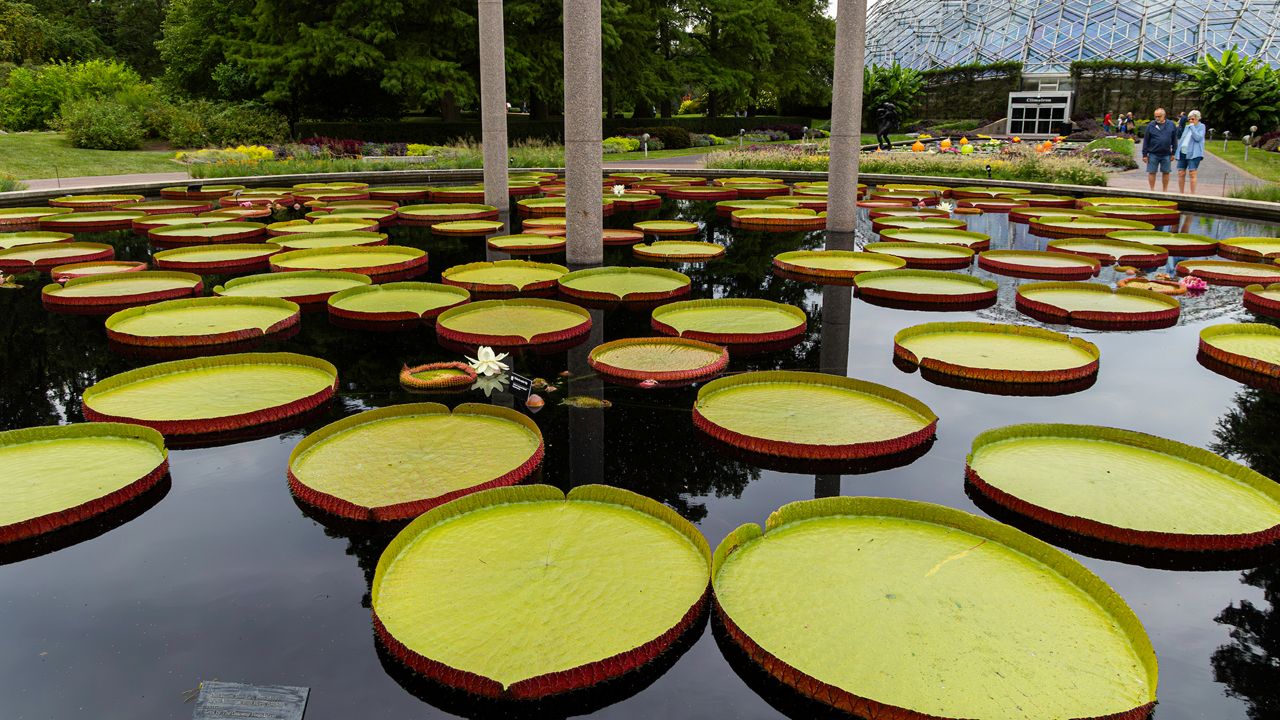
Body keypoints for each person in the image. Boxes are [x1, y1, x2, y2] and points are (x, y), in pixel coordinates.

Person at [1141, 107, 1178, 191]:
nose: (1157, 118)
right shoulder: (1151, 125)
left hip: (1166, 154)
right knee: (1152, 171)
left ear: (1164, 116)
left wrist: (1173, 153)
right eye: (1155, 116)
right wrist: (1144, 155)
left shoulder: (1171, 124)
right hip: (1153, 153)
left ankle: (1165, 190)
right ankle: (1152, 190)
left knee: (1166, 172)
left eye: (1159, 116)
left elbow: (1174, 139)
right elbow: (1146, 140)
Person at [1176, 109, 1206, 194]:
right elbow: (1182, 139)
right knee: (1181, 172)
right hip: (1183, 152)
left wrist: (1192, 127)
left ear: (1198, 118)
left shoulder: (1201, 126)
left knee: (1192, 173)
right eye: (1189, 119)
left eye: (1193, 119)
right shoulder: (1187, 127)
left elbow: (1198, 138)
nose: (1191, 121)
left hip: (1194, 153)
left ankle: (1192, 194)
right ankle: (1181, 193)